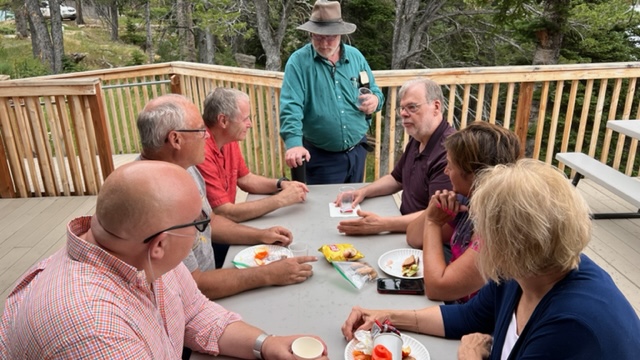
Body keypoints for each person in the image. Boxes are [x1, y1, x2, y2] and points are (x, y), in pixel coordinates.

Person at [0, 161, 328, 359]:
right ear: (160, 244)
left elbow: (195, 312)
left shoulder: (133, 251)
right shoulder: (95, 331)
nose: (205, 229)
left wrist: (265, 345)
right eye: (200, 223)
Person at [342, 159, 640, 360]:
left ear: (511, 242)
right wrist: (387, 317)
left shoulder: (572, 326)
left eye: (480, 228)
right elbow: (469, 316)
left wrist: (470, 356)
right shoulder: (525, 271)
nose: (476, 237)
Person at [137, 94, 316, 298]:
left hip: (211, 281)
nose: (207, 135)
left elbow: (209, 221)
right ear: (176, 139)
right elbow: (194, 286)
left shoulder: (185, 169)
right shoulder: (158, 198)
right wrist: (267, 274)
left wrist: (260, 235)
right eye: (200, 130)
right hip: (192, 304)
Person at [405, 122, 521, 303]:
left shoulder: (497, 228)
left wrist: (433, 223)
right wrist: (432, 211)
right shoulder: (469, 204)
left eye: (450, 166)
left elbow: (437, 288)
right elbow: (413, 237)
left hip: (476, 326)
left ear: (474, 175)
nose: (446, 171)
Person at [197, 88, 309, 265]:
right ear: (223, 120)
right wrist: (280, 200)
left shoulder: (227, 139)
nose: (250, 124)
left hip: (224, 230)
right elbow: (223, 212)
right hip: (210, 240)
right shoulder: (200, 151)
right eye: (245, 119)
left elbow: (245, 178)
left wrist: (281, 184)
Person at [279, 0, 384, 185]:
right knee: (321, 210)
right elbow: (290, 107)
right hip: (320, 157)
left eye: (331, 37)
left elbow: (374, 90)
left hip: (357, 152)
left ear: (341, 34)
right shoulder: (298, 63)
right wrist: (294, 144)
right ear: (311, 33)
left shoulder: (356, 57)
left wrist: (375, 100)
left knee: (353, 206)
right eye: (319, 37)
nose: (325, 43)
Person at [336, 79, 455, 235]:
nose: (404, 114)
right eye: (402, 108)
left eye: (412, 107)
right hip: (404, 226)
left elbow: (436, 217)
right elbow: (396, 179)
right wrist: (363, 192)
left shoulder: (448, 153)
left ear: (436, 107)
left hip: (424, 238)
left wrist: (382, 224)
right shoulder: (418, 138)